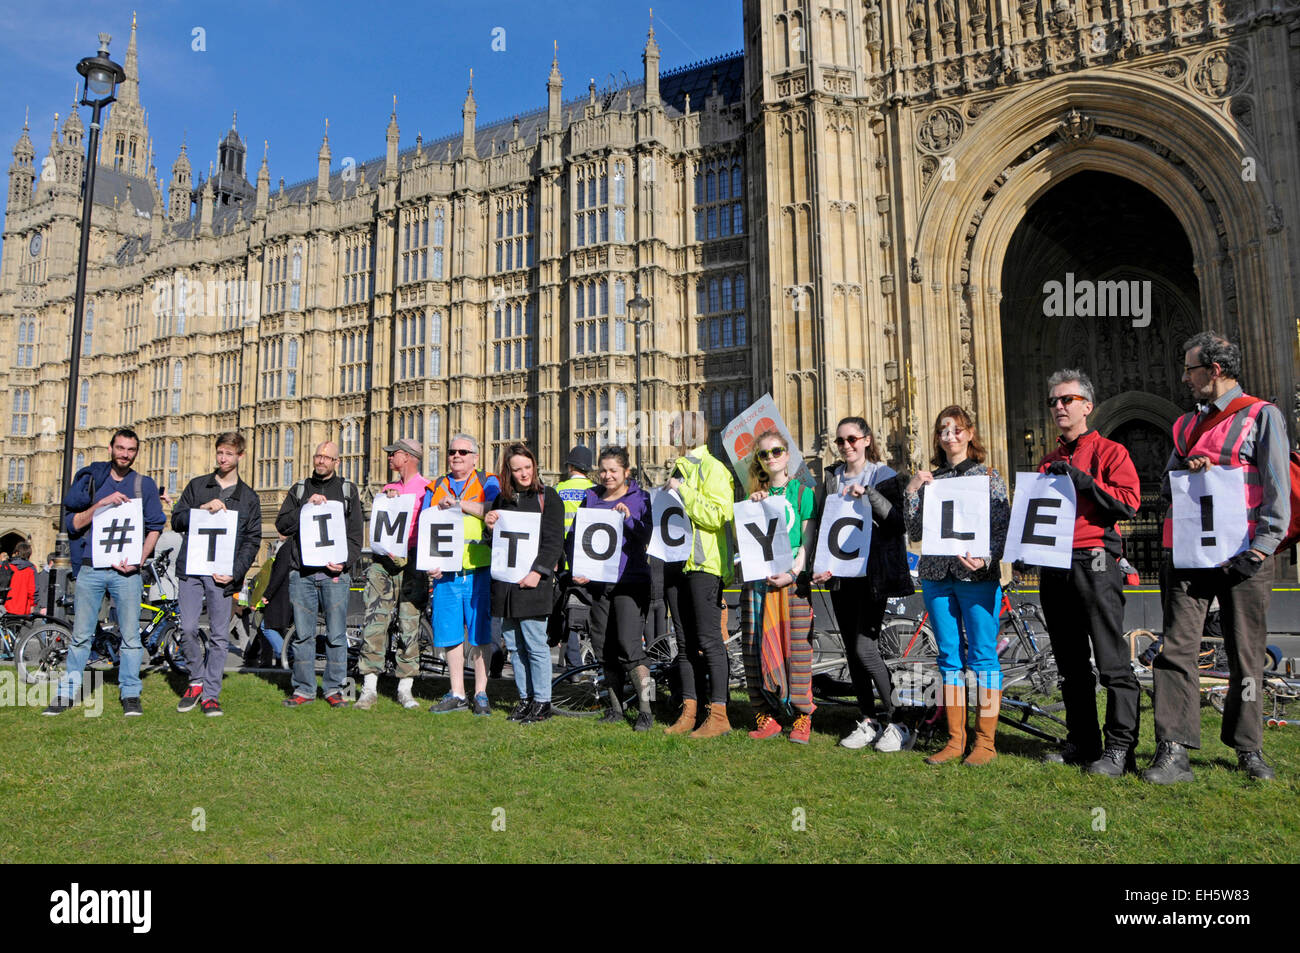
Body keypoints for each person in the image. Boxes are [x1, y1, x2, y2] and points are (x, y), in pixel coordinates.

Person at [1144, 331, 1292, 783]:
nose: (1184, 378)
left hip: (1243, 558)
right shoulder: (1185, 426)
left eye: (1189, 369)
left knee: (1246, 655)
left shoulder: (1262, 417)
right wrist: (1184, 470)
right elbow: (1167, 484)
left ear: (1214, 370)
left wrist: (1263, 547)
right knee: (1175, 651)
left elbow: (1276, 488)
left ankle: (1249, 747)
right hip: (1189, 555)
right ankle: (1173, 749)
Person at [1034, 370, 1142, 774]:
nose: (1058, 407)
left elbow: (1128, 505)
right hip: (1055, 565)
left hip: (1094, 561)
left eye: (1066, 400)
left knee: (1112, 662)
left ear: (1087, 406)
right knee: (1071, 664)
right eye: (1053, 402)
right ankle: (1082, 741)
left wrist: (1083, 481)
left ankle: (1120, 748)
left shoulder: (1111, 452)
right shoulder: (1048, 460)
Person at [904, 406, 1010, 765]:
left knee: (983, 657)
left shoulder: (988, 476)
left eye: (956, 429)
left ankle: (985, 742)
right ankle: (953, 740)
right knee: (948, 658)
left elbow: (1001, 530)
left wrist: (987, 558)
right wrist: (913, 491)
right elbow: (916, 533)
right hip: (936, 576)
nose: (949, 436)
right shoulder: (931, 479)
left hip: (977, 577)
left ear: (969, 433)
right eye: (943, 430)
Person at [809, 417, 914, 751]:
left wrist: (868, 494)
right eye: (840, 441)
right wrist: (821, 566)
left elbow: (898, 522)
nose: (846, 446)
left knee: (863, 647)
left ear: (867, 440)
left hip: (873, 576)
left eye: (852, 439)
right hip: (841, 576)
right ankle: (869, 720)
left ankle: (899, 721)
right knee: (851, 652)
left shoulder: (883, 476)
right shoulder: (831, 477)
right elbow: (826, 527)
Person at [44, 428, 166, 716]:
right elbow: (72, 523)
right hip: (91, 568)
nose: (125, 454)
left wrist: (139, 559)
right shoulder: (92, 480)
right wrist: (99, 504)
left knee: (131, 637)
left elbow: (156, 526)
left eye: (131, 450)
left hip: (126, 573)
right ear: (110, 448)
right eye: (120, 448)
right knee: (81, 636)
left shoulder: (143, 485)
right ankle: (66, 693)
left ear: (136, 452)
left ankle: (130, 694)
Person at [171, 432, 263, 716]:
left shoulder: (248, 498)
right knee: (186, 628)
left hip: (222, 575)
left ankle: (211, 693)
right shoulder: (199, 486)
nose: (223, 458)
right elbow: (176, 520)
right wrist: (200, 508)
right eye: (220, 453)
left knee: (220, 636)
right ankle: (196, 677)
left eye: (229, 454)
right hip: (191, 569)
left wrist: (234, 572)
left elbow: (252, 540)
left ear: (240, 457)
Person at [739, 430, 817, 743]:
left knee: (797, 650)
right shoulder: (752, 498)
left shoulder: (803, 493)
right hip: (758, 584)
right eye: (764, 454)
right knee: (754, 647)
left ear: (788, 455)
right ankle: (766, 716)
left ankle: (801, 717)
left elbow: (807, 540)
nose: (771, 458)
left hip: (792, 582)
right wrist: (753, 503)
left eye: (777, 451)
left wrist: (795, 572)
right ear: (758, 461)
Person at [662, 411, 736, 739]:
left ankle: (718, 715)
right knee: (684, 643)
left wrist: (683, 492)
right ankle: (689, 712)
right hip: (675, 562)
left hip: (703, 565)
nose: (669, 432)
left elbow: (719, 514)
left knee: (709, 641)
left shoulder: (714, 468)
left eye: (675, 428)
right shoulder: (679, 469)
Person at [570, 447, 654, 730]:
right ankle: (615, 708)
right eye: (602, 470)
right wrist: (576, 568)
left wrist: (629, 518)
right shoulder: (591, 496)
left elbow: (648, 536)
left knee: (631, 650)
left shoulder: (641, 497)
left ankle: (646, 709)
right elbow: (576, 535)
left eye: (613, 471)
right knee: (603, 647)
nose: (606, 475)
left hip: (631, 583)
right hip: (598, 583)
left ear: (626, 472)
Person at [276, 441, 363, 708]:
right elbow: (281, 525)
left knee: (337, 636)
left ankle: (335, 689)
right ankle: (303, 688)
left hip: (334, 575)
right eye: (318, 456)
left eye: (327, 457)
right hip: (301, 573)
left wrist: (344, 561)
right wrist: (304, 508)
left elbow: (356, 536)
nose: (321, 461)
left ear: (337, 462)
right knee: (303, 634)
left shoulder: (347, 491)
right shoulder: (300, 490)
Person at [484, 443, 564, 723]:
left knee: (535, 644)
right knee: (514, 647)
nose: (524, 473)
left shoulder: (548, 498)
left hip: (533, 584)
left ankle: (542, 701)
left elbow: (555, 541)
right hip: (506, 586)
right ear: (508, 471)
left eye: (528, 467)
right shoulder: (502, 500)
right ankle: (525, 698)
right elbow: (494, 545)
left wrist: (538, 572)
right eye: (517, 469)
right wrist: (489, 527)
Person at [426, 434, 500, 715]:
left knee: (480, 634)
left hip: (478, 568)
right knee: (450, 634)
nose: (456, 456)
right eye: (452, 451)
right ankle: (457, 691)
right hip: (446, 572)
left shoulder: (487, 481)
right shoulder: (436, 484)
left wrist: (458, 503)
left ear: (475, 457)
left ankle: (481, 692)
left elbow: (493, 510)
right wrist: (430, 562)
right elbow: (427, 523)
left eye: (463, 452)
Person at [355, 438, 430, 712]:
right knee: (375, 622)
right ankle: (369, 688)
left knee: (410, 626)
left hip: (412, 563)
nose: (388, 458)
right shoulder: (387, 490)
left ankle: (405, 689)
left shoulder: (427, 490)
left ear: (408, 457)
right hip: (383, 564)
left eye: (393, 454)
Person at [555, 446, 596, 668]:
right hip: (591, 562)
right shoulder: (595, 491)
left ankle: (574, 666)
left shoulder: (557, 490)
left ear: (570, 466)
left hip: (564, 561)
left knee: (568, 614)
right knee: (595, 611)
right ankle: (597, 660)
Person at [2, 540, 37, 617]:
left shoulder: (6, 566)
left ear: (17, 552)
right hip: (23, 606)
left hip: (6, 604)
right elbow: (32, 590)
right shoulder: (31, 569)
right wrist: (33, 604)